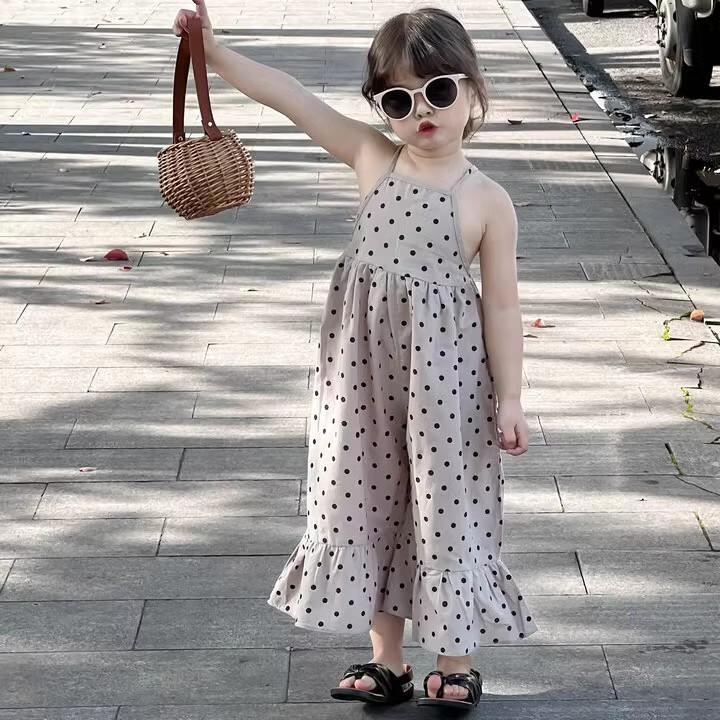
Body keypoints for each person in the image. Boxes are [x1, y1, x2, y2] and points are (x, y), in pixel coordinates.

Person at [173, 1, 539, 710]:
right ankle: (386, 659)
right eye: (398, 99)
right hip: (361, 375)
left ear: (472, 89)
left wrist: (512, 397)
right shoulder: (374, 157)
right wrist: (212, 52)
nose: (420, 110)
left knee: (446, 507)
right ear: (381, 108)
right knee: (365, 499)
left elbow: (501, 305)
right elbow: (290, 97)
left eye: (438, 91)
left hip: (446, 384)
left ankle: (455, 660)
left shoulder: (487, 200)